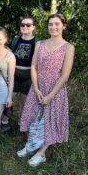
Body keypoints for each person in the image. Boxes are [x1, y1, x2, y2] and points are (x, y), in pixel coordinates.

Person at [17, 13, 75, 167]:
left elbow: (65, 75)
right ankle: (30, 145)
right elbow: (34, 67)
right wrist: (35, 87)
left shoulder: (69, 47)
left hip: (55, 88)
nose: (53, 27)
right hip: (38, 85)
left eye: (57, 24)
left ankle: (41, 153)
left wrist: (51, 95)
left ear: (63, 26)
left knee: (50, 120)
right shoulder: (40, 44)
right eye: (50, 24)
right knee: (32, 115)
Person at [1, 16, 40, 131]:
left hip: (28, 76)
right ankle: (4, 122)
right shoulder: (15, 40)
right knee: (8, 99)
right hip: (14, 74)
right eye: (23, 25)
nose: (25, 27)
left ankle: (21, 124)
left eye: (28, 25)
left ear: (33, 27)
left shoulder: (37, 42)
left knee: (25, 102)